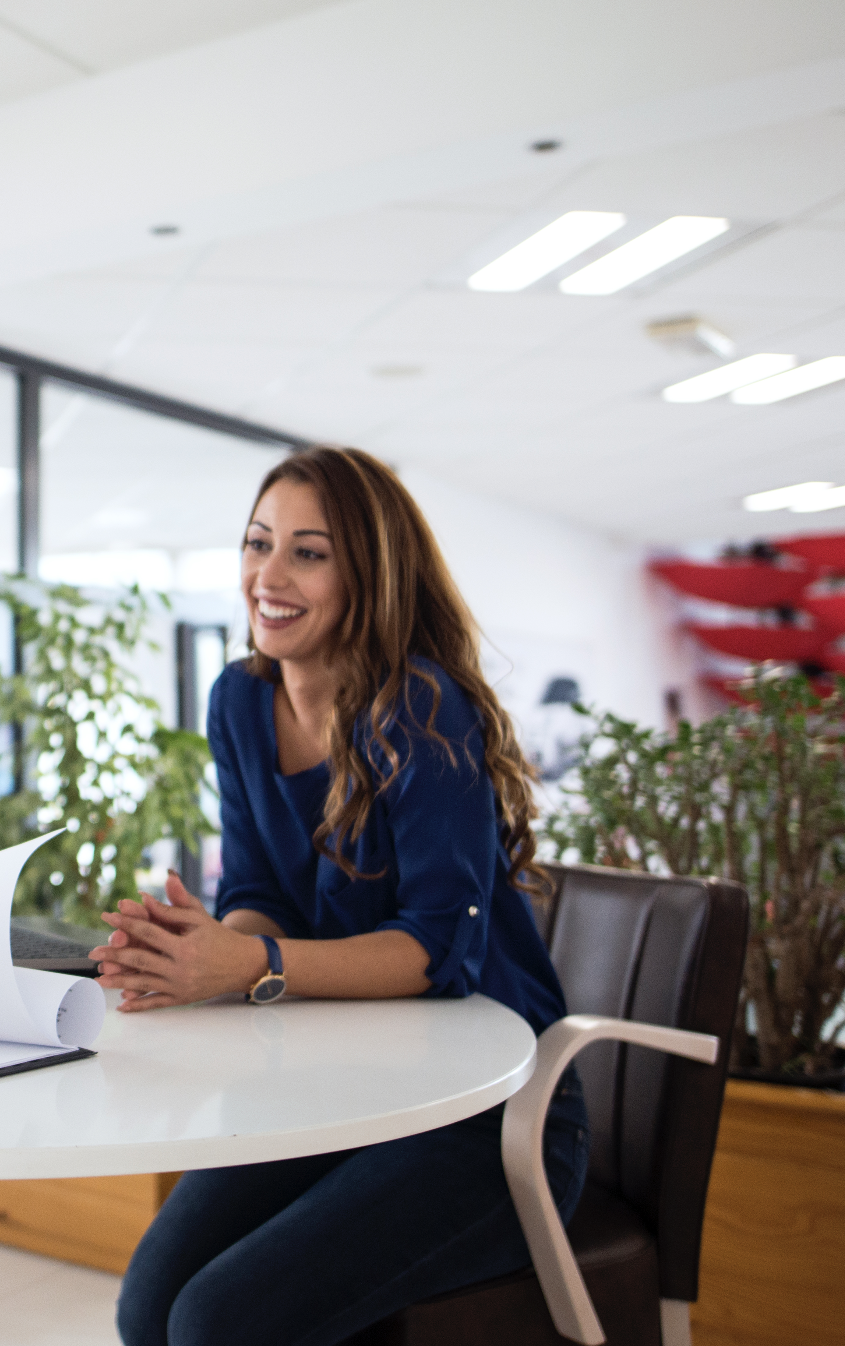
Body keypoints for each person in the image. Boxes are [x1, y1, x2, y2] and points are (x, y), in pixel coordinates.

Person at [92, 445, 589, 1346]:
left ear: (368, 574)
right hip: (341, 1090)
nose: (267, 576)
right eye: (257, 542)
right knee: (148, 1304)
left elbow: (440, 950)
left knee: (217, 1321)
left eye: (307, 553)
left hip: (488, 1116)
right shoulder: (239, 700)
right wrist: (202, 953)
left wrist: (249, 962)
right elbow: (258, 890)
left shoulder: (423, 709)